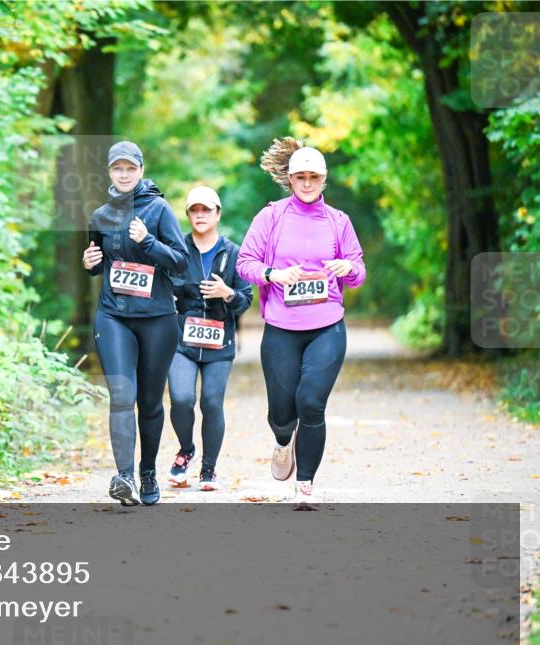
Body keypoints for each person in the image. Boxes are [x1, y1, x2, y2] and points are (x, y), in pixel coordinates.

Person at [236, 139, 366, 508]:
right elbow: (245, 263)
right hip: (280, 327)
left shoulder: (338, 221)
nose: (307, 183)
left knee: (311, 403)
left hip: (327, 325)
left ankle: (305, 484)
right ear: (289, 179)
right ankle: (281, 442)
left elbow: (358, 269)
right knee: (282, 412)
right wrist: (273, 274)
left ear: (324, 180)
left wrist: (349, 268)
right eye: (300, 177)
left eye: (314, 177)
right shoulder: (271, 217)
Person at [82, 141, 189, 506]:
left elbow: (180, 262)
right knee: (122, 395)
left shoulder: (158, 209)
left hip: (157, 318)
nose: (124, 174)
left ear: (141, 170)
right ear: (110, 172)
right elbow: (99, 263)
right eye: (118, 169)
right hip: (113, 316)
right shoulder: (99, 215)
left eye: (130, 168)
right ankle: (124, 476)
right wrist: (90, 261)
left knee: (149, 401)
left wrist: (148, 242)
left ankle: (147, 471)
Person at [166, 186, 252, 491]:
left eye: (206, 210)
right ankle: (186, 449)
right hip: (182, 342)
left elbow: (245, 299)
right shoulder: (177, 250)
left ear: (217, 214)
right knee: (181, 398)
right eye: (194, 210)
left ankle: (209, 469)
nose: (200, 215)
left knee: (211, 403)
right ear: (188, 215)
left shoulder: (233, 253)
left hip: (219, 342)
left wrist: (226, 293)